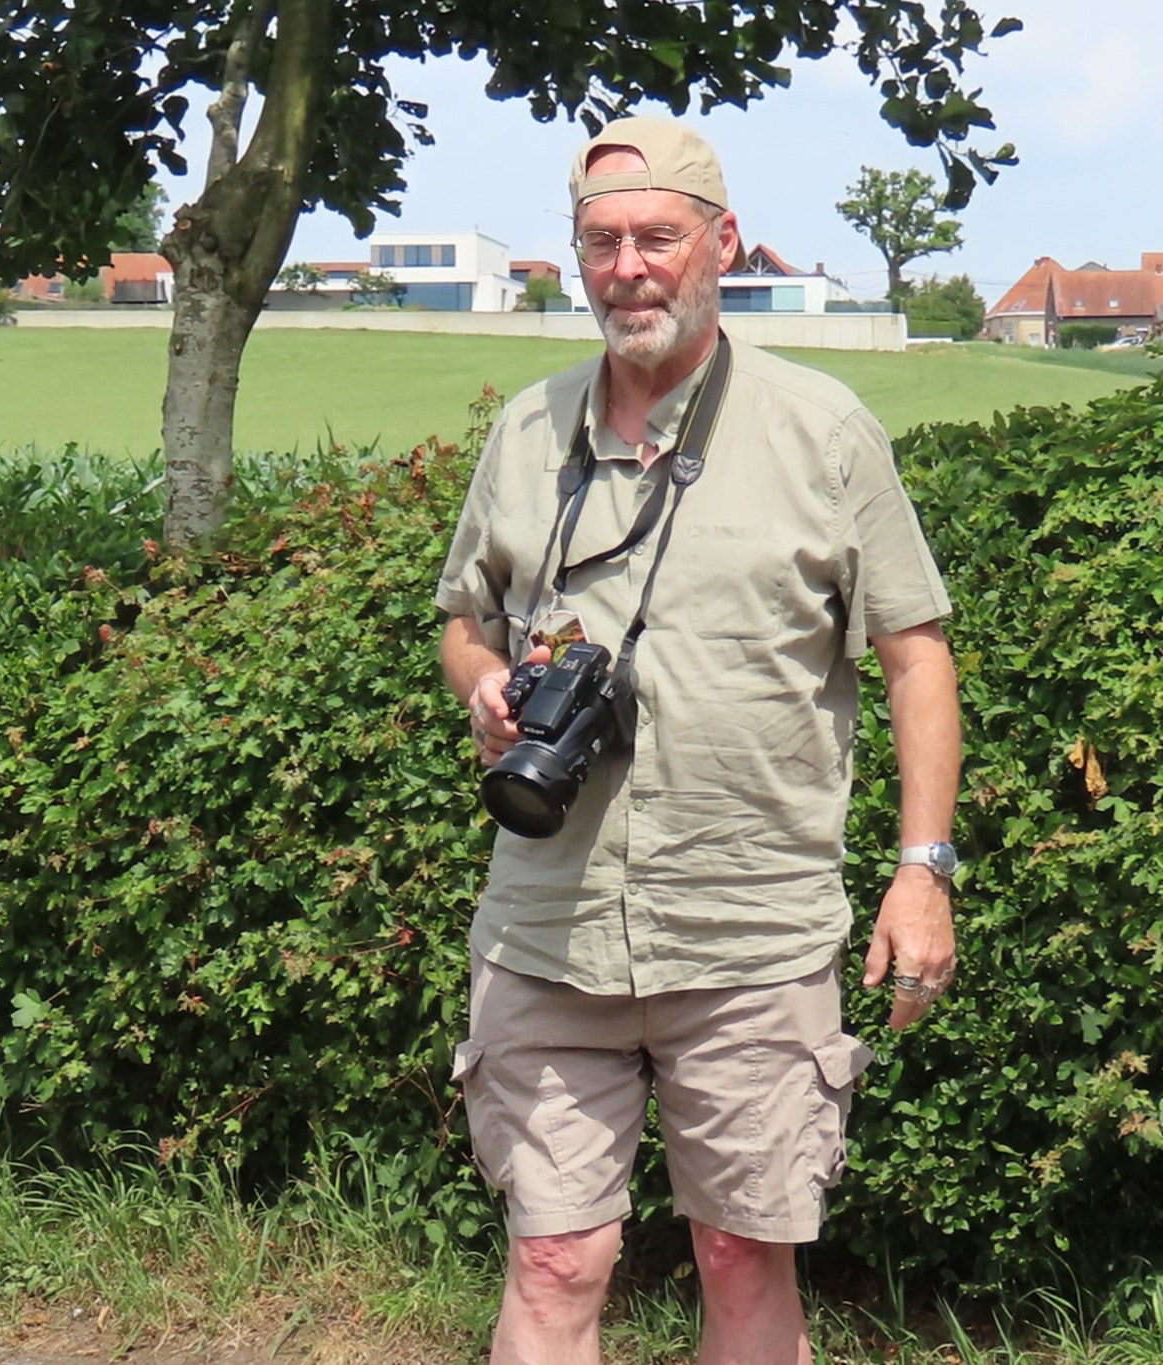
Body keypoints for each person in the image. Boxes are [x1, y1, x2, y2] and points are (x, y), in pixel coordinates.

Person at [436, 118, 961, 1365]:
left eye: (655, 238)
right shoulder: (525, 431)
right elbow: (462, 623)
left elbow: (914, 658)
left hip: (747, 928)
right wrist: (484, 686)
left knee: (738, 1255)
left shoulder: (819, 429)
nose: (627, 269)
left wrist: (920, 871)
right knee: (554, 1257)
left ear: (719, 244)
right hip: (546, 923)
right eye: (600, 242)